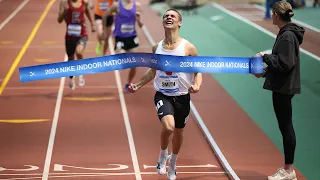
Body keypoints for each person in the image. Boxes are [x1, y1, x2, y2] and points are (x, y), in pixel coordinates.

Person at [127, 9, 202, 180]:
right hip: (163, 95)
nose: (168, 17)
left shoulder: (188, 47)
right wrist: (137, 85)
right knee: (168, 127)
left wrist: (196, 85)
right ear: (163, 22)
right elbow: (153, 71)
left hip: (182, 97)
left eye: (172, 16)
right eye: (166, 16)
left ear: (179, 23)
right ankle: (162, 155)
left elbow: (198, 71)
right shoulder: (157, 47)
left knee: (178, 131)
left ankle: (173, 163)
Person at [254, 1, 304, 180]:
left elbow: (285, 63)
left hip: (284, 87)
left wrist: (264, 57)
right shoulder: (285, 34)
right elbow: (283, 61)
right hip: (283, 85)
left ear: (276, 14)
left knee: (286, 127)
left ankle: (288, 170)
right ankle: (288, 169)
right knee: (285, 126)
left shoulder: (288, 36)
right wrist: (266, 73)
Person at [102, 0, 143, 91]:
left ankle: (129, 82)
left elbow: (141, 25)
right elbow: (105, 15)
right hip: (120, 37)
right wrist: (104, 31)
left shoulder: (137, 6)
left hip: (132, 37)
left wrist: (138, 19)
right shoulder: (116, 6)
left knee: (135, 63)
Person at [58, 0, 95, 90]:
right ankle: (71, 78)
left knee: (79, 52)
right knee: (71, 59)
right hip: (70, 36)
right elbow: (59, 20)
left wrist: (92, 24)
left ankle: (81, 73)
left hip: (82, 34)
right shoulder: (64, 3)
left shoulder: (84, 2)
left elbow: (87, 12)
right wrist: (64, 12)